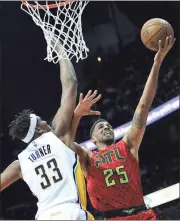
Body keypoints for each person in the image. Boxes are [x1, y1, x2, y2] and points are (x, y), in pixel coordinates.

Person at [67, 36, 176, 220]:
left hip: (143, 215)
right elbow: (65, 141)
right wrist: (76, 115)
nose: (106, 127)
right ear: (93, 139)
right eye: (100, 127)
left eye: (107, 125)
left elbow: (143, 105)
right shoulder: (88, 157)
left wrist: (157, 63)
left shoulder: (128, 145)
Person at [0, 40, 101, 220]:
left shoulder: (19, 164)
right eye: (42, 121)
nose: (47, 122)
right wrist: (60, 49)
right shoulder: (58, 136)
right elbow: (70, 83)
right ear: (39, 129)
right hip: (70, 213)